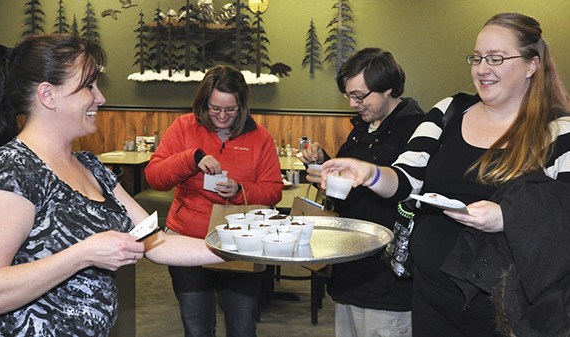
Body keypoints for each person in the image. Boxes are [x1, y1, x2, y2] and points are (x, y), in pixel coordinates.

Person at [319, 13, 570, 336]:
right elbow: (406, 180)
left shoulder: (558, 131)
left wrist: (508, 216)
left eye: (496, 58)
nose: (481, 69)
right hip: (431, 299)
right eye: (477, 58)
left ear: (531, 65)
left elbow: (563, 213)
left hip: (506, 310)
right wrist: (370, 174)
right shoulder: (449, 111)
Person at [0, 34, 224, 337]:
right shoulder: (10, 171)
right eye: (88, 86)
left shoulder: (90, 166)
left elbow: (157, 242)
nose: (100, 98)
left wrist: (236, 249)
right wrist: (83, 254)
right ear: (48, 95)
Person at [144, 65, 282, 337]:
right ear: (203, 103)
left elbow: (273, 190)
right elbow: (155, 178)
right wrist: (191, 159)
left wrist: (241, 190)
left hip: (239, 245)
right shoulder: (183, 127)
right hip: (188, 240)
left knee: (242, 328)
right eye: (214, 108)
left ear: (242, 105)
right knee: (196, 329)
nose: (221, 116)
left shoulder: (260, 138)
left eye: (230, 110)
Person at [300, 48, 423, 337]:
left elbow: (409, 193)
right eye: (349, 96)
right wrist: (322, 164)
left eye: (360, 95)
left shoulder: (417, 130)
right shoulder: (362, 129)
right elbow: (349, 188)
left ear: (389, 87)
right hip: (351, 271)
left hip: (388, 281)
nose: (354, 103)